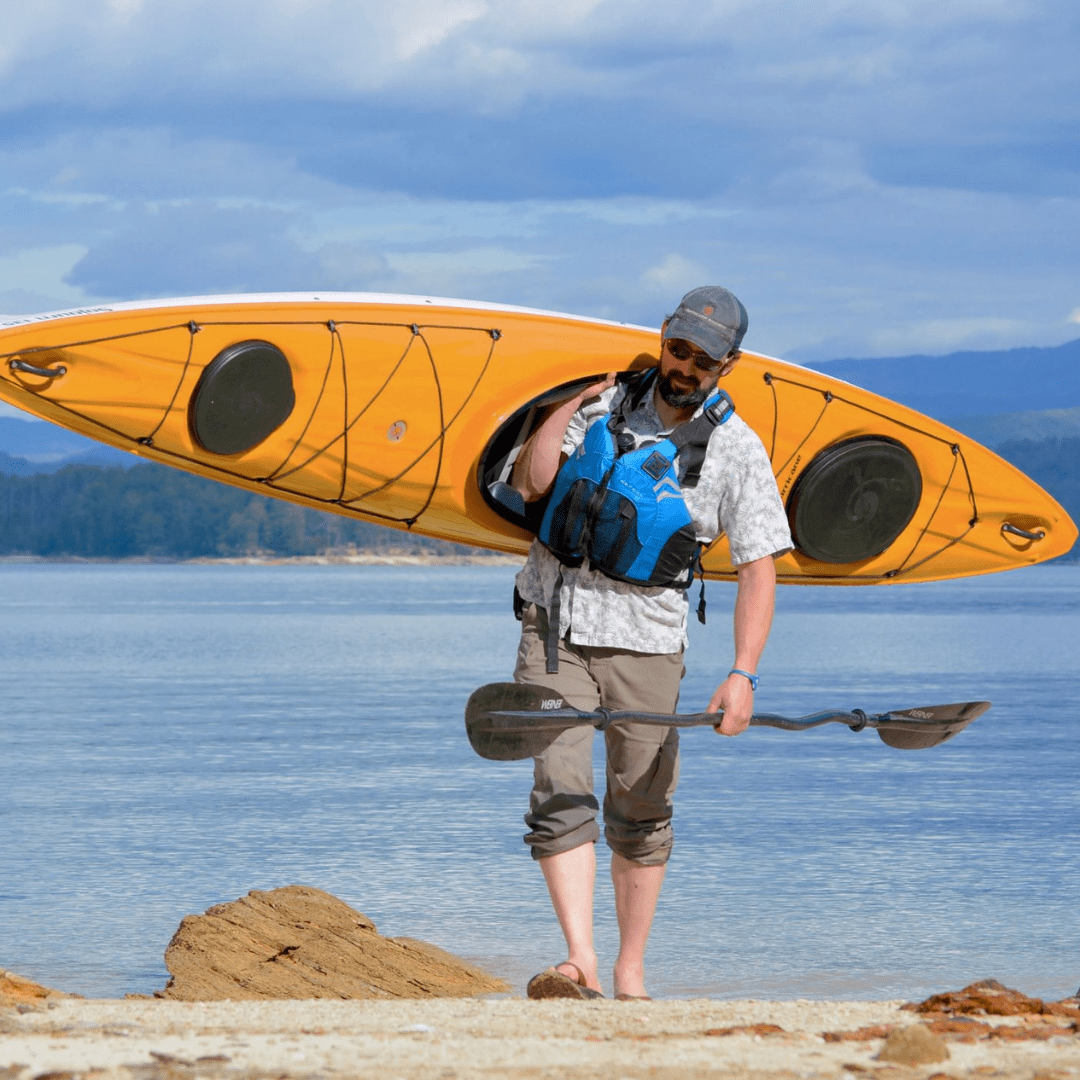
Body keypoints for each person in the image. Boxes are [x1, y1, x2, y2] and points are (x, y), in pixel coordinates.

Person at [509, 285, 793, 1001]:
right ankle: (580, 961)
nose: (686, 366)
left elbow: (759, 567)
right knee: (557, 787)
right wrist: (559, 407)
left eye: (704, 359)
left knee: (640, 805)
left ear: (728, 365)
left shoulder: (736, 448)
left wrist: (743, 674)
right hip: (553, 623)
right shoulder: (598, 404)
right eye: (679, 348)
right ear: (664, 336)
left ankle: (631, 969)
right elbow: (535, 483)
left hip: (647, 642)